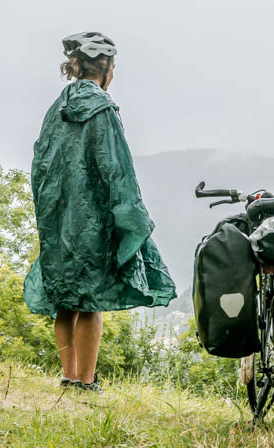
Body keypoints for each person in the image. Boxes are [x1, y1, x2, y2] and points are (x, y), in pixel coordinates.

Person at [23, 31, 176, 392]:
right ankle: (87, 381)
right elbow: (116, 167)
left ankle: (68, 375)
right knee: (91, 300)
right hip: (92, 218)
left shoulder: (56, 109)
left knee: (65, 298)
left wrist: (48, 212)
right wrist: (130, 214)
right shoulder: (103, 109)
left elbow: (40, 164)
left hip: (57, 217)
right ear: (106, 69)